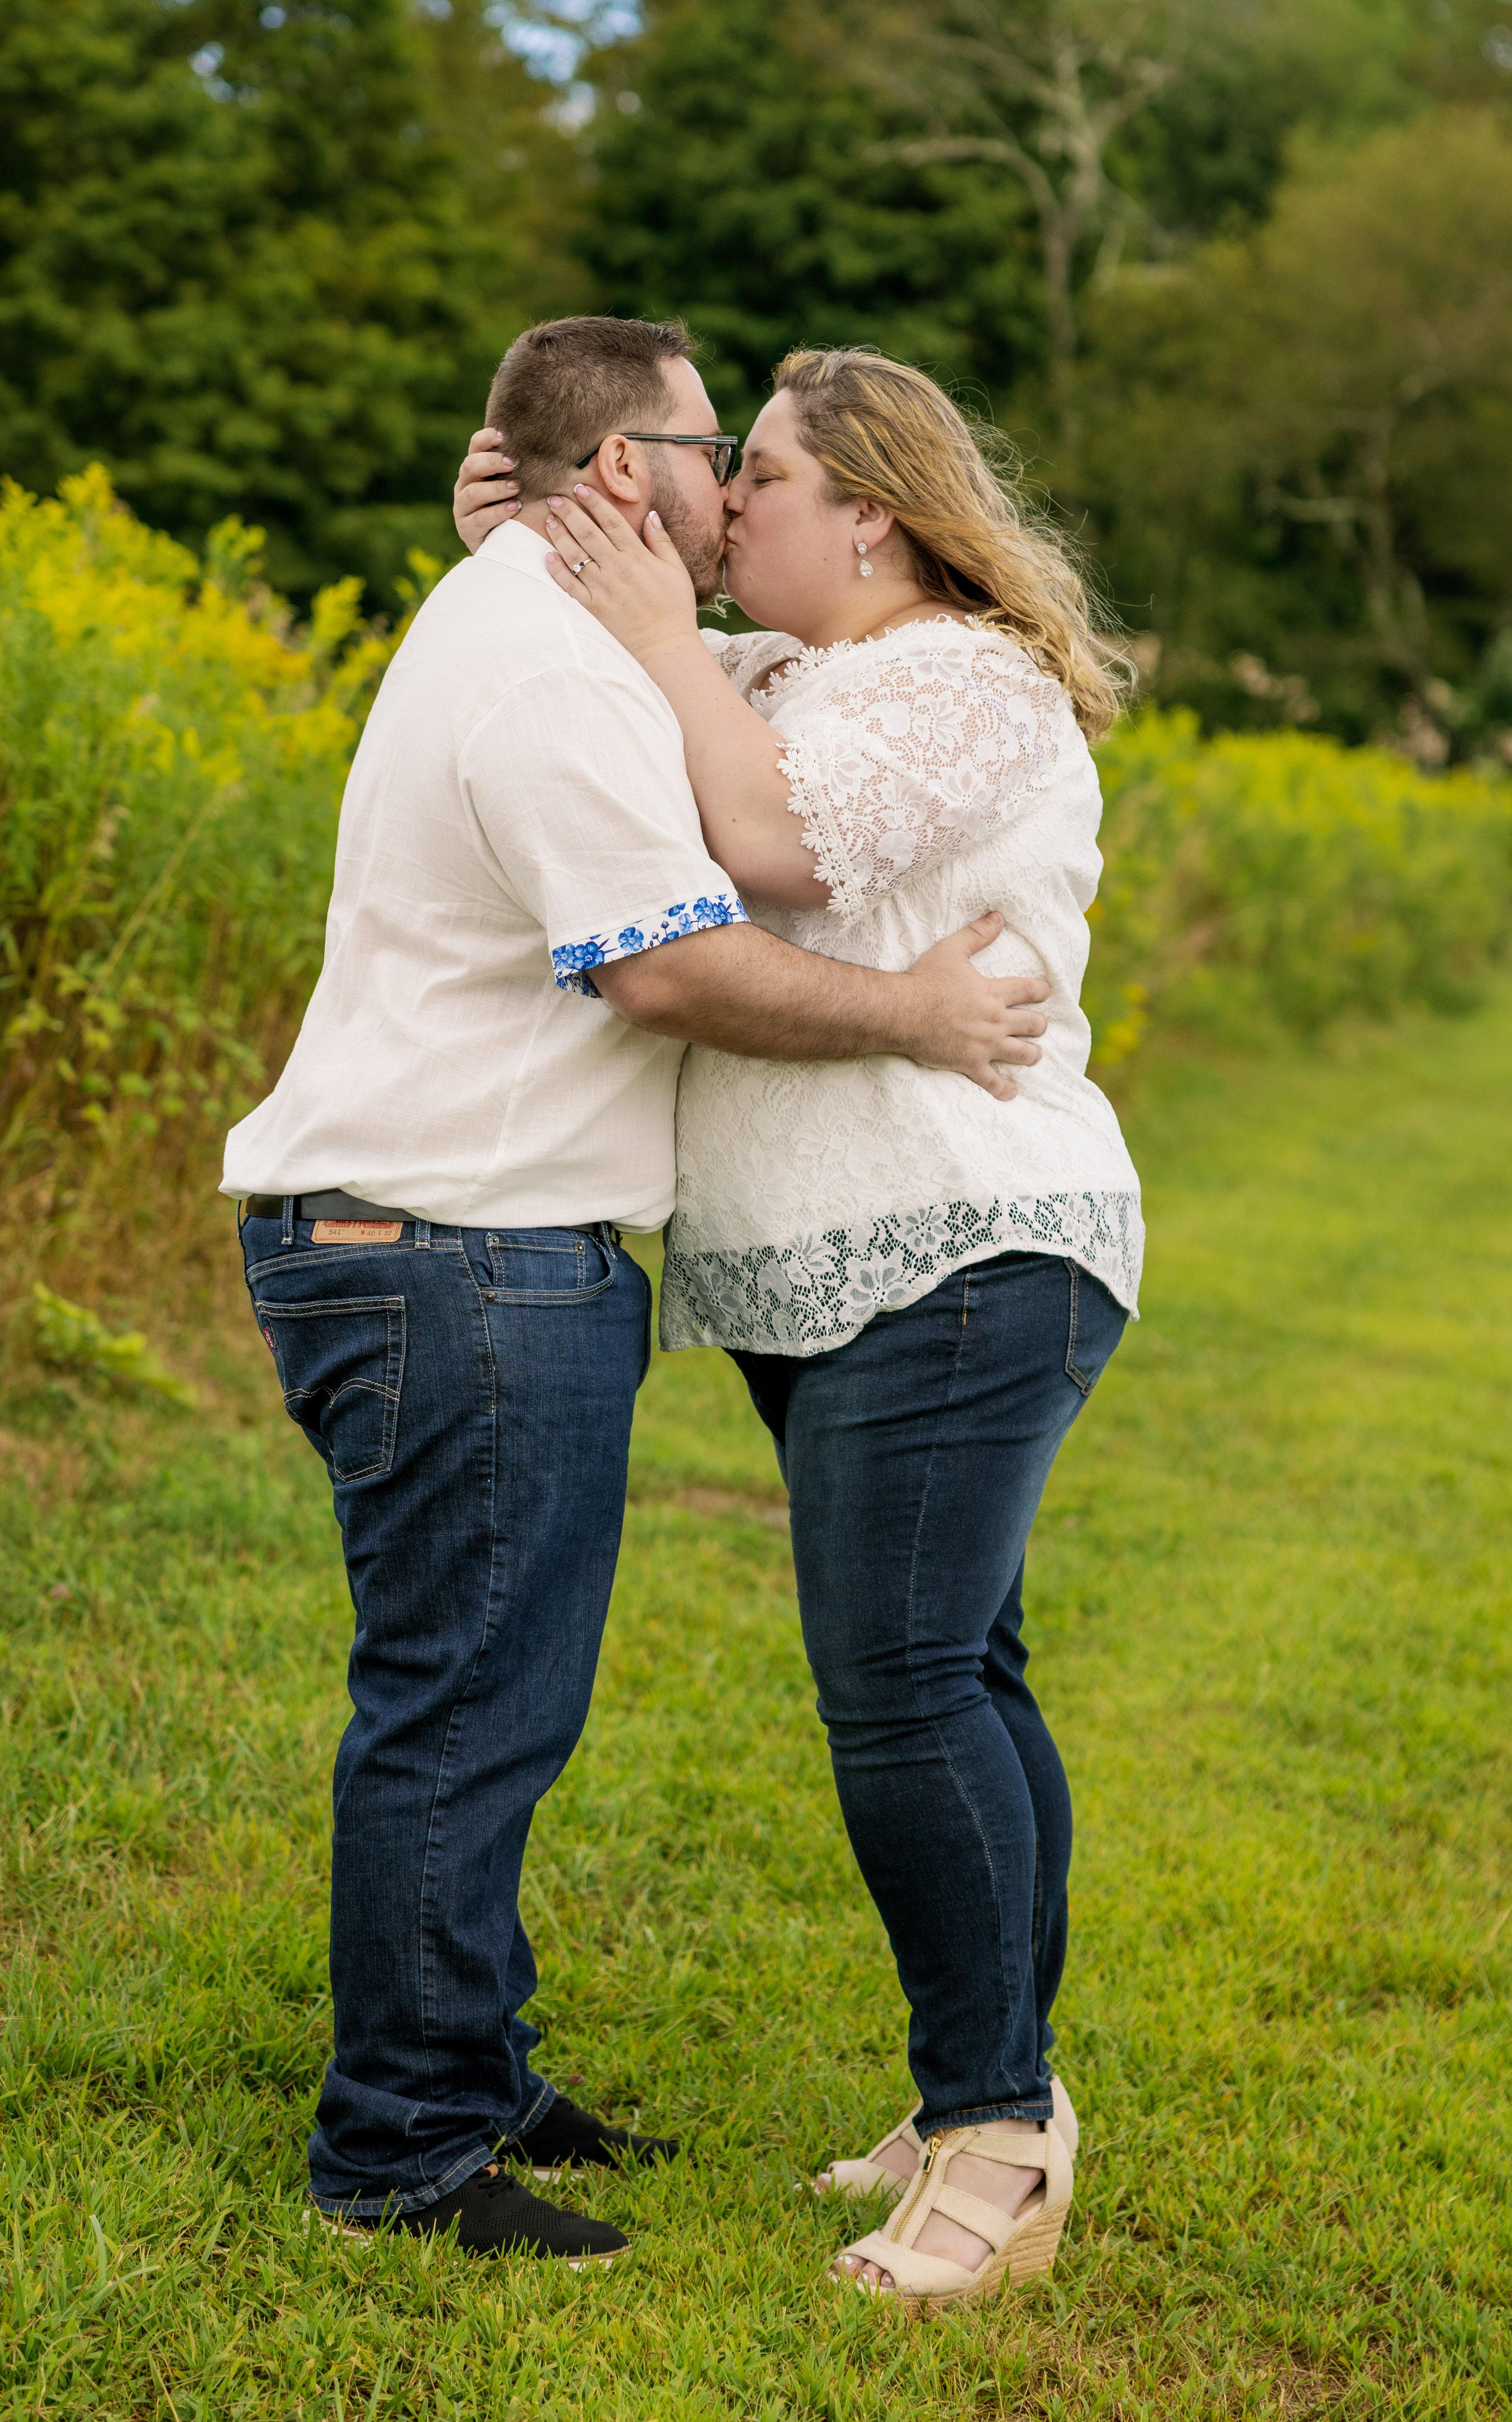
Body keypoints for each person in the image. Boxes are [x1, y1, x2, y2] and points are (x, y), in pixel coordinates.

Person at [221, 317, 1058, 2270]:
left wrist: (534, 508)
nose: (731, 487)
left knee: (486, 1695)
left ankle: (471, 2065)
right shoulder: (547, 675)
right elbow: (668, 963)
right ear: (631, 472)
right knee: (462, 1710)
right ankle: (408, 2147)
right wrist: (920, 1014)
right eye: (713, 452)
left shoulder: (558, 630)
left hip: (468, 1241)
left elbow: (745, 738)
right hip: (455, 1248)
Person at [448, 343, 1143, 2304]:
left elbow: (762, 845)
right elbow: (633, 698)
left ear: (871, 512)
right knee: (962, 1669)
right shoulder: (786, 679)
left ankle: (996, 2135)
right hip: (854, 1255)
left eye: (748, 474)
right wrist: (543, 526)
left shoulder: (961, 682)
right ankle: (979, 2097)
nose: (720, 504)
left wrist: (668, 630)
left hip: (957, 1236)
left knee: (904, 1685)